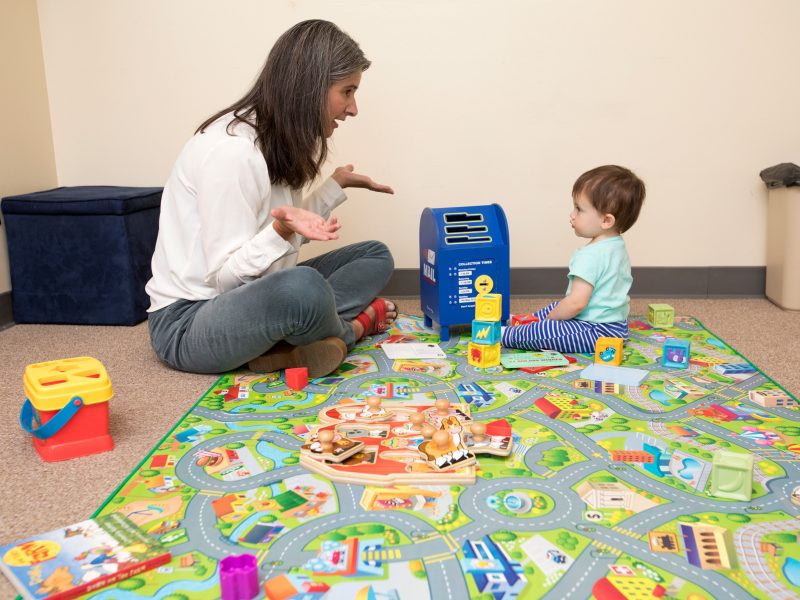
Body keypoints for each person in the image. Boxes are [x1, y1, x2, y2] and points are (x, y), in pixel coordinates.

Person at [146, 20, 397, 377]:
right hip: (189, 322)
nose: (353, 108)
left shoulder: (274, 139)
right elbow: (226, 281)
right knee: (302, 288)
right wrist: (280, 230)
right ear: (312, 88)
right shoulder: (233, 154)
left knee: (374, 255)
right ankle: (350, 331)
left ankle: (296, 337)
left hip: (255, 297)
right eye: (347, 91)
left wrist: (334, 186)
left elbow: (283, 224)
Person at [502, 165, 645, 354]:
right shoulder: (616, 245)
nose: (572, 214)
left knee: (549, 330)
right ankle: (526, 321)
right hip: (617, 327)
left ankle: (507, 334)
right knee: (556, 307)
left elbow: (577, 303)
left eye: (579, 209)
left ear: (606, 221)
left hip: (595, 332)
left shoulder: (590, 255)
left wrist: (551, 320)